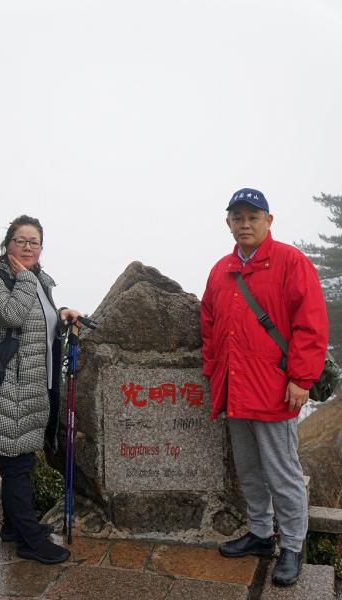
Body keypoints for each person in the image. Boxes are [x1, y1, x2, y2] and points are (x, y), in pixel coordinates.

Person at [200, 189, 328, 586]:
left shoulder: (291, 262)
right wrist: (213, 370)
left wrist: (301, 379)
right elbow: (208, 322)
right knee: (250, 471)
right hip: (235, 389)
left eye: (253, 216)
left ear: (269, 221)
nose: (245, 224)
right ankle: (260, 534)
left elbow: (311, 324)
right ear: (228, 224)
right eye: (237, 217)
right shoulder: (221, 269)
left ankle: (291, 545)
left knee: (283, 472)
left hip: (275, 389)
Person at [0, 215, 81, 565]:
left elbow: (40, 324)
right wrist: (22, 279)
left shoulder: (38, 282)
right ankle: (30, 540)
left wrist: (61, 312)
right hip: (7, 387)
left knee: (20, 462)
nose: (28, 247)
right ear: (8, 244)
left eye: (34, 242)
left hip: (34, 386)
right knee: (16, 465)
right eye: (21, 240)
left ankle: (11, 529)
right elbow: (11, 317)